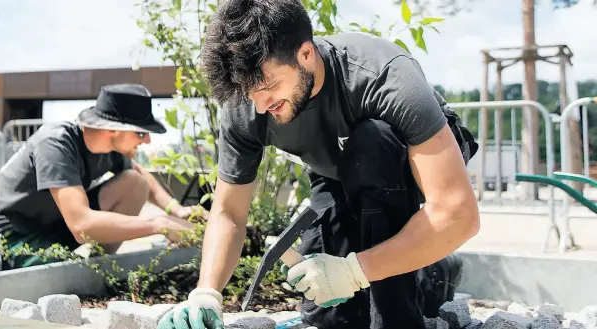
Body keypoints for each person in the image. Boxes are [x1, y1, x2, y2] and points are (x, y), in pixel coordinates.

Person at [156, 0, 482, 328]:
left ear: (306, 55)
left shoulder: (383, 75)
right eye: (249, 92)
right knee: (330, 313)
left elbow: (457, 214)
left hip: (408, 161)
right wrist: (206, 293)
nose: (259, 105)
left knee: (372, 147)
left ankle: (428, 279)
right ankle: (418, 271)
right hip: (337, 170)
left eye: (269, 88)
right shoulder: (249, 101)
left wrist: (355, 271)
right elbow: (229, 213)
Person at [0, 83, 202, 276]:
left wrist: (176, 210)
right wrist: (159, 225)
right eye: (141, 132)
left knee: (134, 182)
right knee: (68, 279)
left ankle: (100, 267)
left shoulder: (110, 149)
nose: (147, 141)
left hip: (54, 226)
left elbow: (142, 177)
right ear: (113, 130)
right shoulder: (55, 143)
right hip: (10, 238)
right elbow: (81, 226)